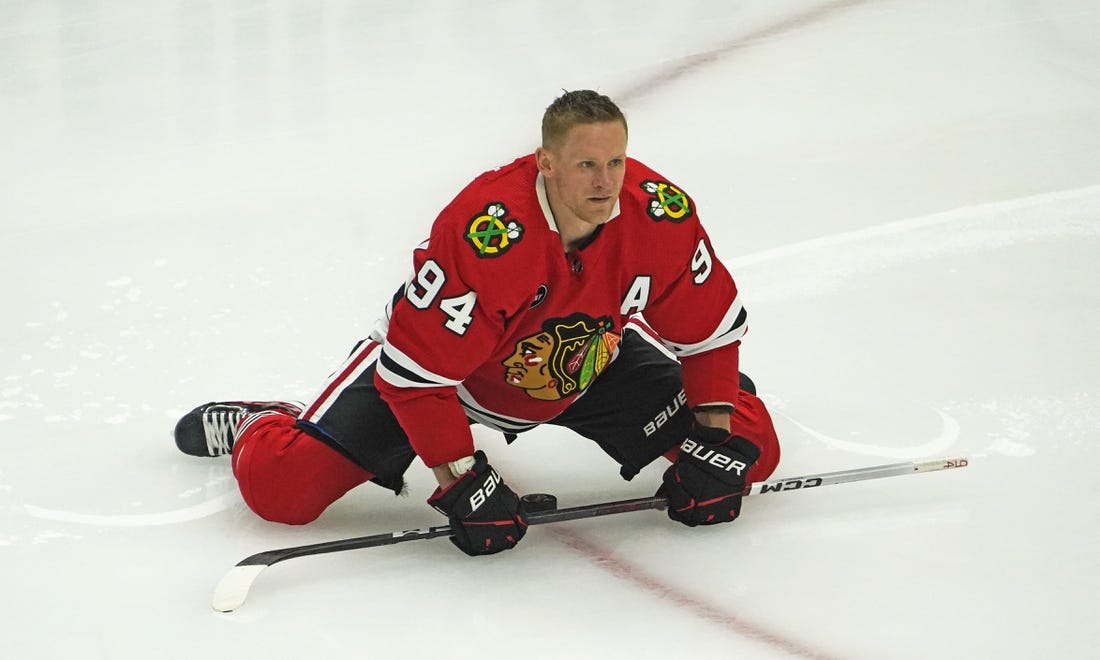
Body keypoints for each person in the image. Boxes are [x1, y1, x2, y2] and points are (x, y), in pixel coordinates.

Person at [174, 89, 781, 556]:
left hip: (589, 359)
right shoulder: (488, 233)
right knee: (281, 489)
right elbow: (420, 379)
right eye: (587, 164)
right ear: (546, 163)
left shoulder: (659, 213)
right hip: (455, 378)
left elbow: (707, 331)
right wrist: (461, 481)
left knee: (753, 448)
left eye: (616, 161)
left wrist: (714, 435)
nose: (606, 183)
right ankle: (267, 422)